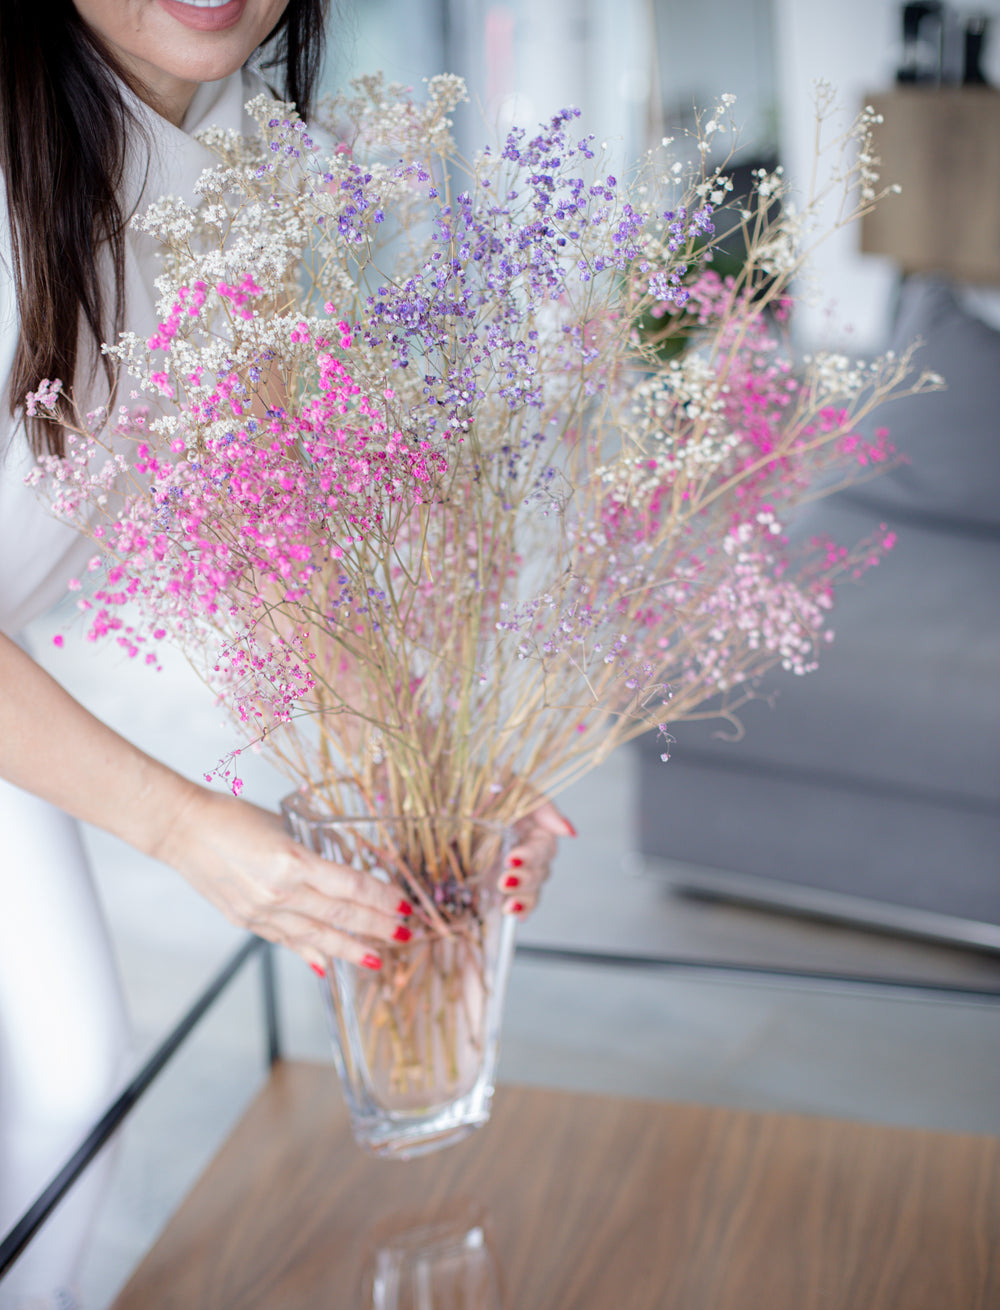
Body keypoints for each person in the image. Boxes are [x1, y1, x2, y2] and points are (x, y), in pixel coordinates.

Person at [0, 3, 572, 1304]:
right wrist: (193, 829)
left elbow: (260, 519)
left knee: (73, 1082)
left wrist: (435, 780)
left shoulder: (235, 139)